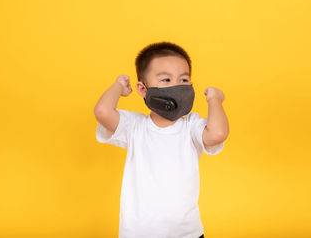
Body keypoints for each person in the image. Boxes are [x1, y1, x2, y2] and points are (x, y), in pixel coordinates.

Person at [94, 41, 229, 238]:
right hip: (138, 233)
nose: (176, 86)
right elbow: (103, 111)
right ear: (143, 89)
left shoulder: (191, 126)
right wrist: (118, 87)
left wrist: (215, 99)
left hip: (187, 233)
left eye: (183, 80)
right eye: (166, 80)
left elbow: (217, 134)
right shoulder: (134, 126)